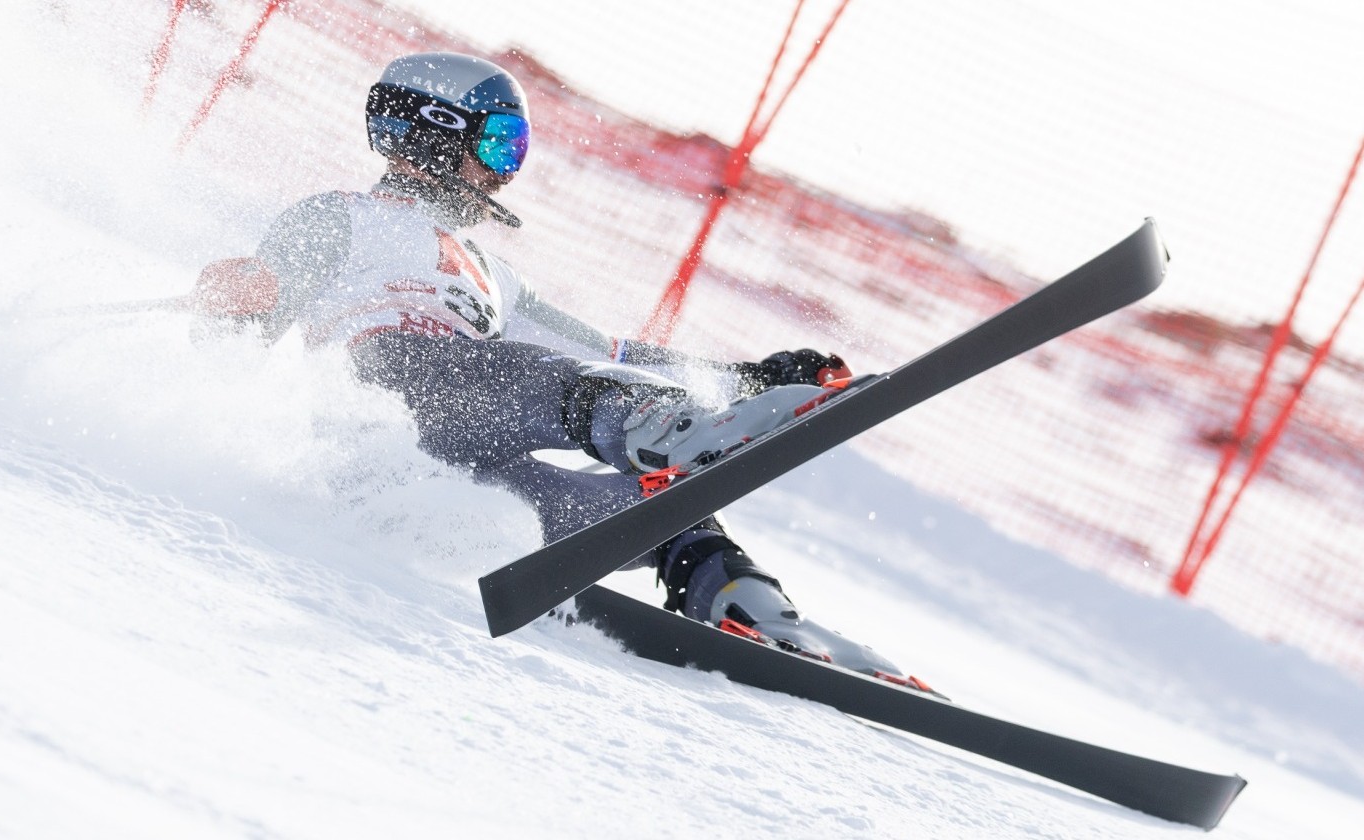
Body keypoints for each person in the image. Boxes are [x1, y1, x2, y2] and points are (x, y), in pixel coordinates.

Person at [190, 51, 922, 686]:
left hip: (469, 482)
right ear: (436, 132)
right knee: (550, 383)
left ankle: (742, 606)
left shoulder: (492, 274)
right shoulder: (339, 216)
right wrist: (241, 301)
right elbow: (254, 310)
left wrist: (746, 376)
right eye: (499, 143)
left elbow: (614, 358)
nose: (505, 172)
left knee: (665, 506)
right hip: (387, 408)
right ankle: (684, 433)